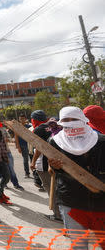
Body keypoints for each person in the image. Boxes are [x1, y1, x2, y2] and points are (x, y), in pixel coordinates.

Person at [48, 106, 105, 249]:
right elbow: (54, 170)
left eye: (74, 119)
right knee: (79, 245)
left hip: (100, 201)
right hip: (71, 201)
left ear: (83, 120)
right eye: (66, 120)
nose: (70, 123)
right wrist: (55, 166)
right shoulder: (54, 142)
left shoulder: (101, 141)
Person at [30, 110, 63, 222]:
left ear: (34, 120)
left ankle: (58, 215)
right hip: (62, 164)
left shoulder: (38, 130)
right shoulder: (57, 125)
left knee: (51, 189)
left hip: (45, 165)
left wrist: (33, 162)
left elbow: (39, 148)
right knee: (60, 189)